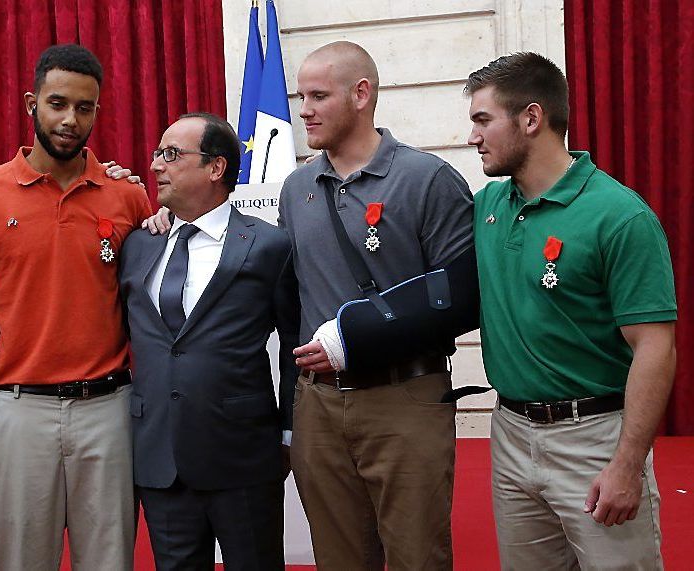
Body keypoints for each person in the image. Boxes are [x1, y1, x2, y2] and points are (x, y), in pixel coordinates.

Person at [0, 44, 152, 571]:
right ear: (31, 103)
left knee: (109, 561)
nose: (69, 120)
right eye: (58, 104)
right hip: (18, 412)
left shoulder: (127, 197)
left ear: (97, 112)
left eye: (84, 108)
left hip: (108, 409)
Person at [466, 52, 676, 570]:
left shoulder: (620, 216)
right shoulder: (488, 206)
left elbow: (655, 346)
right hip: (510, 433)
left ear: (531, 119)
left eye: (482, 120)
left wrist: (627, 465)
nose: (472, 136)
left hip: (595, 439)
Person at [282, 41, 474, 570]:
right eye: (302, 96)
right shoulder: (296, 188)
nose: (305, 111)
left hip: (404, 399)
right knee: (338, 560)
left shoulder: (427, 180)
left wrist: (356, 339)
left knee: (418, 559)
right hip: (317, 408)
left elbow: (461, 299)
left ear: (362, 94)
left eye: (319, 96)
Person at [119, 113, 300, 570]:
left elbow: (295, 345)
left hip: (241, 453)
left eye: (172, 154)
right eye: (158, 153)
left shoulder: (267, 246)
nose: (157, 165)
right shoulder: (139, 243)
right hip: (159, 454)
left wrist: (289, 431)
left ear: (216, 168)